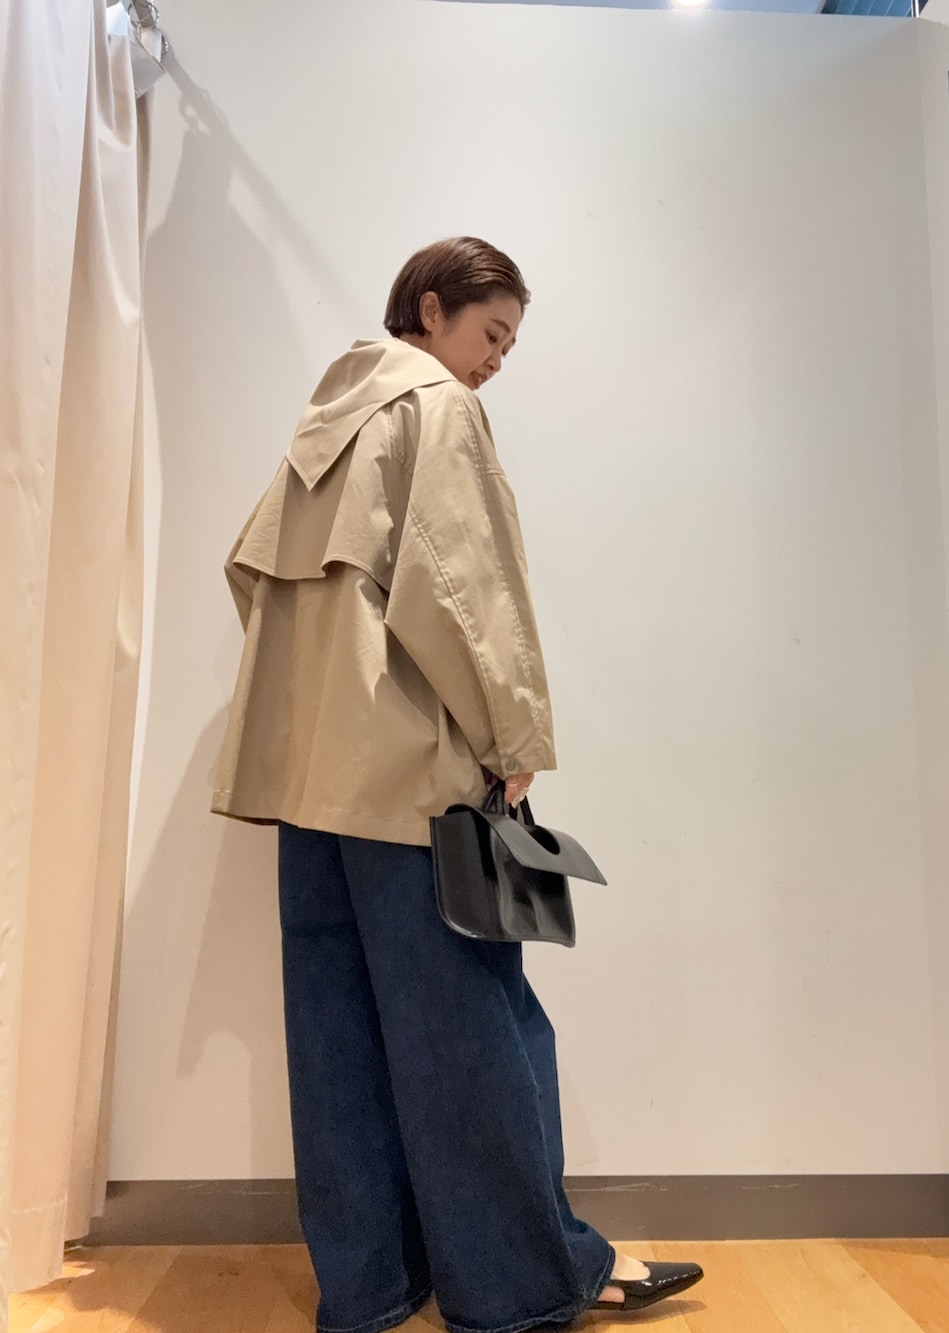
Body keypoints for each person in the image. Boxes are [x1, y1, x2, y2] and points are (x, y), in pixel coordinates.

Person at [211, 237, 704, 1333]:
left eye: (509, 346)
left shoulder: (324, 421)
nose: (496, 362)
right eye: (491, 333)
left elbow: (248, 572)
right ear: (430, 310)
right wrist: (511, 735)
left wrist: (322, 708)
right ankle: (522, 1284)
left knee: (337, 1039)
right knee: (476, 1029)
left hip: (309, 788)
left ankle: (371, 1285)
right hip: (408, 784)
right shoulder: (436, 406)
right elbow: (460, 588)